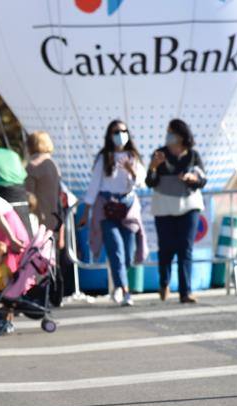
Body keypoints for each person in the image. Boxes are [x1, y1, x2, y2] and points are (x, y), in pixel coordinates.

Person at [79, 121, 146, 306]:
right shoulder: (104, 157)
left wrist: (131, 170)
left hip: (128, 207)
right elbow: (93, 186)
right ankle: (123, 289)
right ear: (109, 135)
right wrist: (86, 211)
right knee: (115, 249)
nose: (120, 135)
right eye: (116, 132)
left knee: (128, 253)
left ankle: (119, 284)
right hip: (107, 207)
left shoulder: (133, 156)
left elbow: (141, 181)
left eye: (124, 131)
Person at [146, 118, 206, 304]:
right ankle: (164, 283)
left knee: (185, 249)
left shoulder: (193, 155)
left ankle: (185, 291)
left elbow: (202, 179)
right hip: (164, 208)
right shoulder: (160, 154)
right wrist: (153, 167)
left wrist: (191, 177)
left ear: (182, 135)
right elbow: (150, 182)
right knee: (166, 250)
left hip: (189, 206)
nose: (169, 136)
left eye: (172, 132)